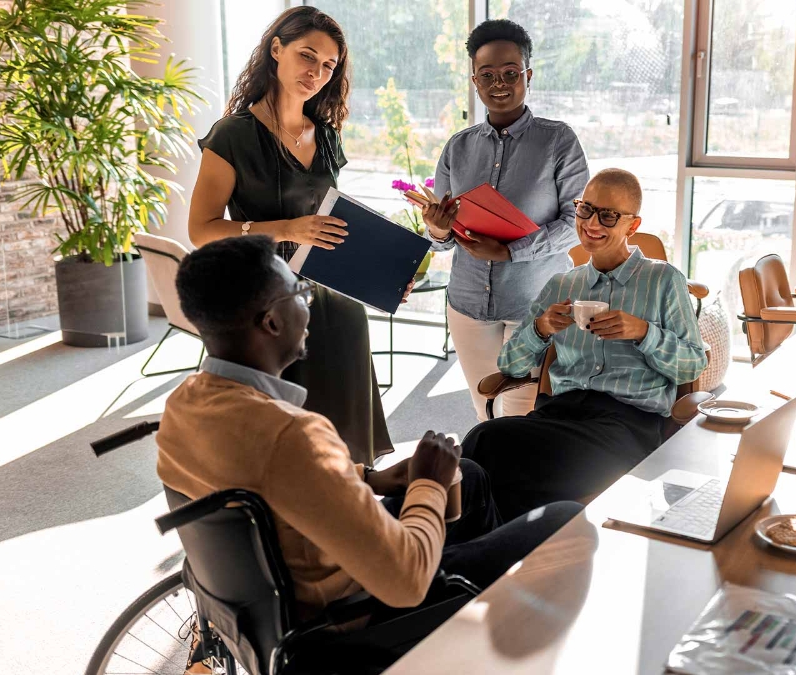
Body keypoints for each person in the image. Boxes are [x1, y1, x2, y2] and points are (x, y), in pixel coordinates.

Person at [157, 235, 582, 667]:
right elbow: (406, 582)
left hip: (274, 596)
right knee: (566, 519)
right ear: (271, 322)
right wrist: (428, 484)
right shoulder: (292, 434)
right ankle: (470, 611)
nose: (309, 303)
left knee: (468, 474)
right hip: (352, 619)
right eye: (300, 292)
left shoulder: (183, 405)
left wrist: (369, 478)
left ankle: (477, 620)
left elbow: (268, 478)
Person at [187, 6, 394, 466]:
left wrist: (385, 271)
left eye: (329, 65)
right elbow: (201, 230)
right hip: (263, 305)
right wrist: (284, 229)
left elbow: (332, 226)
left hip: (330, 300)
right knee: (276, 445)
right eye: (307, 56)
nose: (316, 72)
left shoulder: (327, 137)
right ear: (276, 49)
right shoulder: (232, 136)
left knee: (341, 445)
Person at [461, 170, 707, 520]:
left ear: (632, 226)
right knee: (483, 439)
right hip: (558, 415)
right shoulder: (561, 286)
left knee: (510, 467)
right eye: (586, 209)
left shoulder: (663, 280)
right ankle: (491, 541)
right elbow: (510, 365)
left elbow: (693, 364)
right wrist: (541, 328)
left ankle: (497, 539)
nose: (591, 223)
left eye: (608, 216)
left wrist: (644, 332)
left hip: (626, 426)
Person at [422, 19, 589, 422]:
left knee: (521, 417)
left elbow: (577, 222)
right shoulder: (458, 147)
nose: (499, 83)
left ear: (528, 76)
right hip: (467, 305)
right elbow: (442, 239)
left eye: (510, 73)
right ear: (475, 81)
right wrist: (438, 228)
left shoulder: (558, 141)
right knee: (485, 412)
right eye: (487, 75)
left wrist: (510, 251)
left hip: (536, 304)